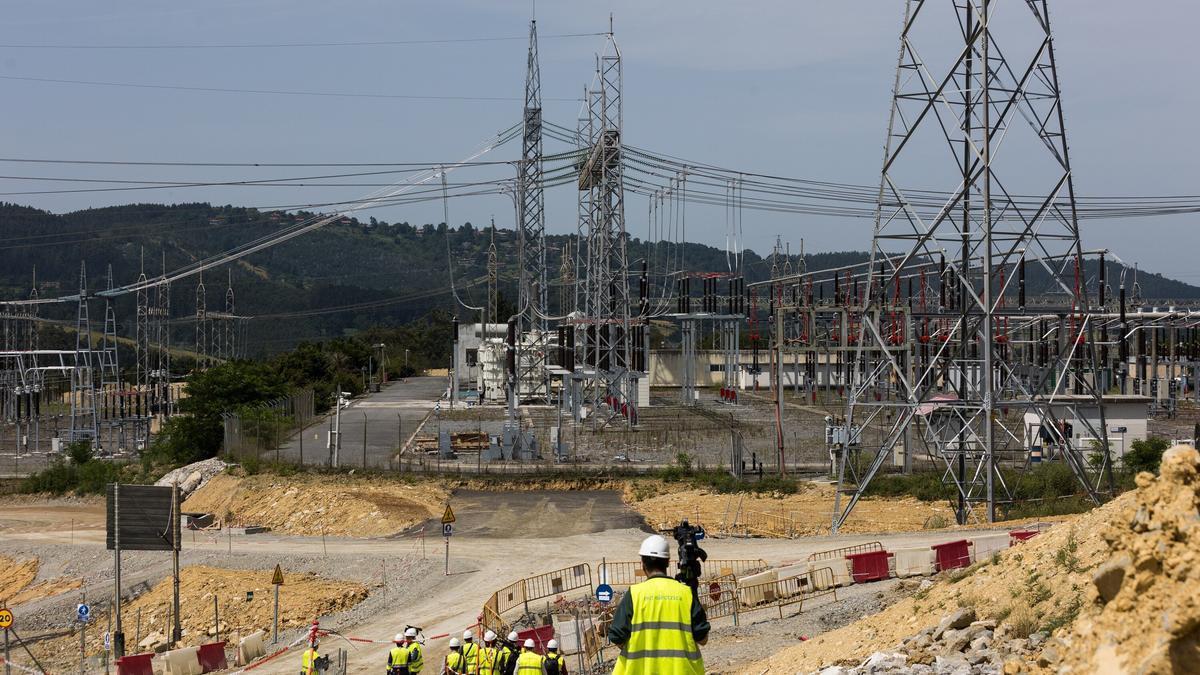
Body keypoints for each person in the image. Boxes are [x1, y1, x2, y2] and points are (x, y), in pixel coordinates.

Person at [608, 534, 708, 675]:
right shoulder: (686, 594)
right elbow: (703, 639)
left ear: (642, 562)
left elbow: (616, 636)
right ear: (667, 562)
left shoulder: (635, 594)